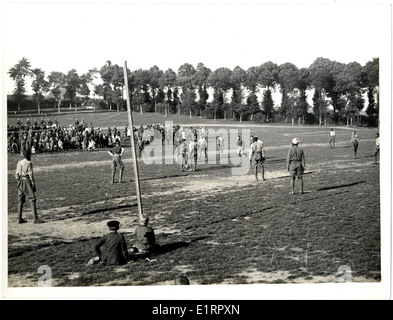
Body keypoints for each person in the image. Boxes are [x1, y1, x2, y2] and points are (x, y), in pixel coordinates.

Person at [15, 148, 44, 224]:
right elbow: (31, 175)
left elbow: (16, 174)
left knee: (20, 199)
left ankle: (19, 218)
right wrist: (33, 184)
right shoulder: (29, 163)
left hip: (20, 181)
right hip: (26, 180)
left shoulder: (19, 162)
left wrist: (19, 182)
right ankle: (35, 219)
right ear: (28, 155)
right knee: (32, 199)